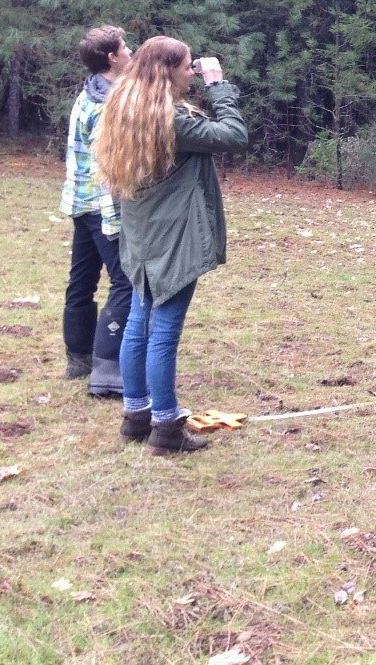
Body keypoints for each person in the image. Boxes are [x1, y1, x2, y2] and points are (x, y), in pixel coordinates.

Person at [93, 37, 247, 455]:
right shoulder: (170, 121)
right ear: (166, 72)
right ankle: (165, 429)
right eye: (186, 67)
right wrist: (218, 84)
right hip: (173, 238)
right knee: (163, 333)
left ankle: (136, 416)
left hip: (143, 234)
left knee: (140, 323)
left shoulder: (127, 109)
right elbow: (233, 134)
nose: (191, 73)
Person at [59, 25, 133, 395]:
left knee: (82, 282)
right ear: (112, 57)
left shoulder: (89, 91)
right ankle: (106, 370)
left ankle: (78, 360)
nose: (131, 51)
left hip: (79, 201)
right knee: (127, 282)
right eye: (126, 46)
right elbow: (110, 162)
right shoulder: (108, 103)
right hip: (101, 207)